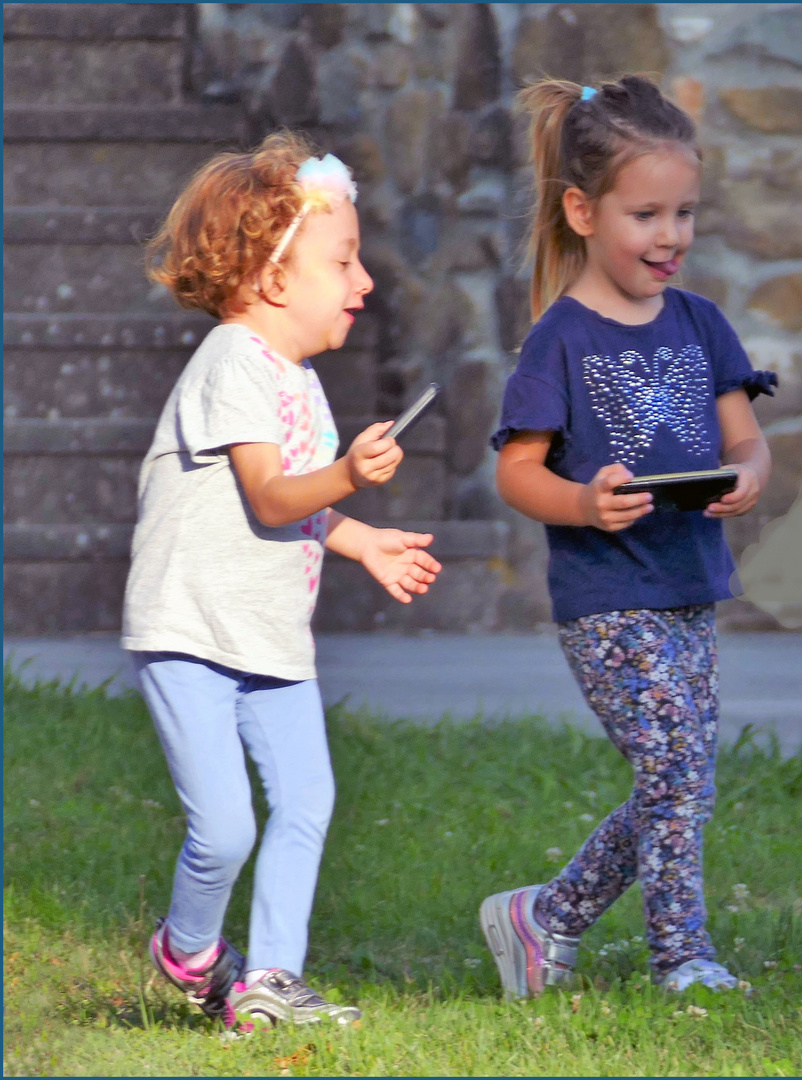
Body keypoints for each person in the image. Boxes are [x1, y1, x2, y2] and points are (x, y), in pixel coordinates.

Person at [127, 132, 442, 1029]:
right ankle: (188, 950)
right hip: (190, 631)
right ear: (272, 281)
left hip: (269, 636)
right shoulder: (231, 363)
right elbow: (271, 495)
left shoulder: (297, 381)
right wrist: (347, 477)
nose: (364, 281)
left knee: (307, 800)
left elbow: (293, 500)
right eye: (343, 261)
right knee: (225, 827)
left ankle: (267, 981)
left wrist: (363, 538)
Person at [479, 75, 777, 997]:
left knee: (682, 781)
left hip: (691, 584)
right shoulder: (558, 340)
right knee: (676, 772)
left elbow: (745, 437)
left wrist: (750, 479)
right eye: (646, 213)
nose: (670, 236)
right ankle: (681, 957)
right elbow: (517, 469)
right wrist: (582, 503)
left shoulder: (700, 322)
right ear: (581, 210)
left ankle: (547, 916)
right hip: (608, 601)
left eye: (684, 213)